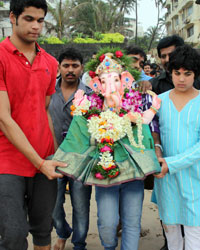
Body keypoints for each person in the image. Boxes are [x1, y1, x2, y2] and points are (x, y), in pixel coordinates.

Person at [53, 48, 161, 250]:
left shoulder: (135, 101)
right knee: (107, 223)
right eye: (103, 81)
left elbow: (144, 133)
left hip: (133, 172)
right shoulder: (89, 105)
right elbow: (78, 138)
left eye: (115, 80)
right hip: (105, 174)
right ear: (96, 84)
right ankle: (109, 247)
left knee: (131, 221)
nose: (110, 85)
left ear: (125, 80)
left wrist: (148, 111)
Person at [0, 1, 67, 250]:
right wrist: (40, 162)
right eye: (29, 19)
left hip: (45, 160)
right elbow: (4, 119)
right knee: (14, 235)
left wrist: (56, 154)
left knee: (42, 230)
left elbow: (45, 110)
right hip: (7, 160)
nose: (36, 26)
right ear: (13, 18)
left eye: (40, 20)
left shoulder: (50, 62)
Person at [153, 44, 200, 250]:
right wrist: (157, 152)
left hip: (195, 180)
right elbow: (153, 134)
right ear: (169, 73)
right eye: (177, 73)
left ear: (195, 74)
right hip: (167, 181)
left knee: (194, 234)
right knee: (171, 233)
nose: (181, 78)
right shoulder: (158, 102)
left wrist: (170, 164)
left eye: (187, 73)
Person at [49, 48, 92, 250]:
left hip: (82, 159)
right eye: (66, 65)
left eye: (75, 66)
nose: (70, 70)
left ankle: (79, 244)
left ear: (81, 68)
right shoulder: (48, 91)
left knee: (81, 207)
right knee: (53, 206)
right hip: (52, 157)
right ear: (59, 67)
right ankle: (63, 231)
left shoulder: (91, 95)